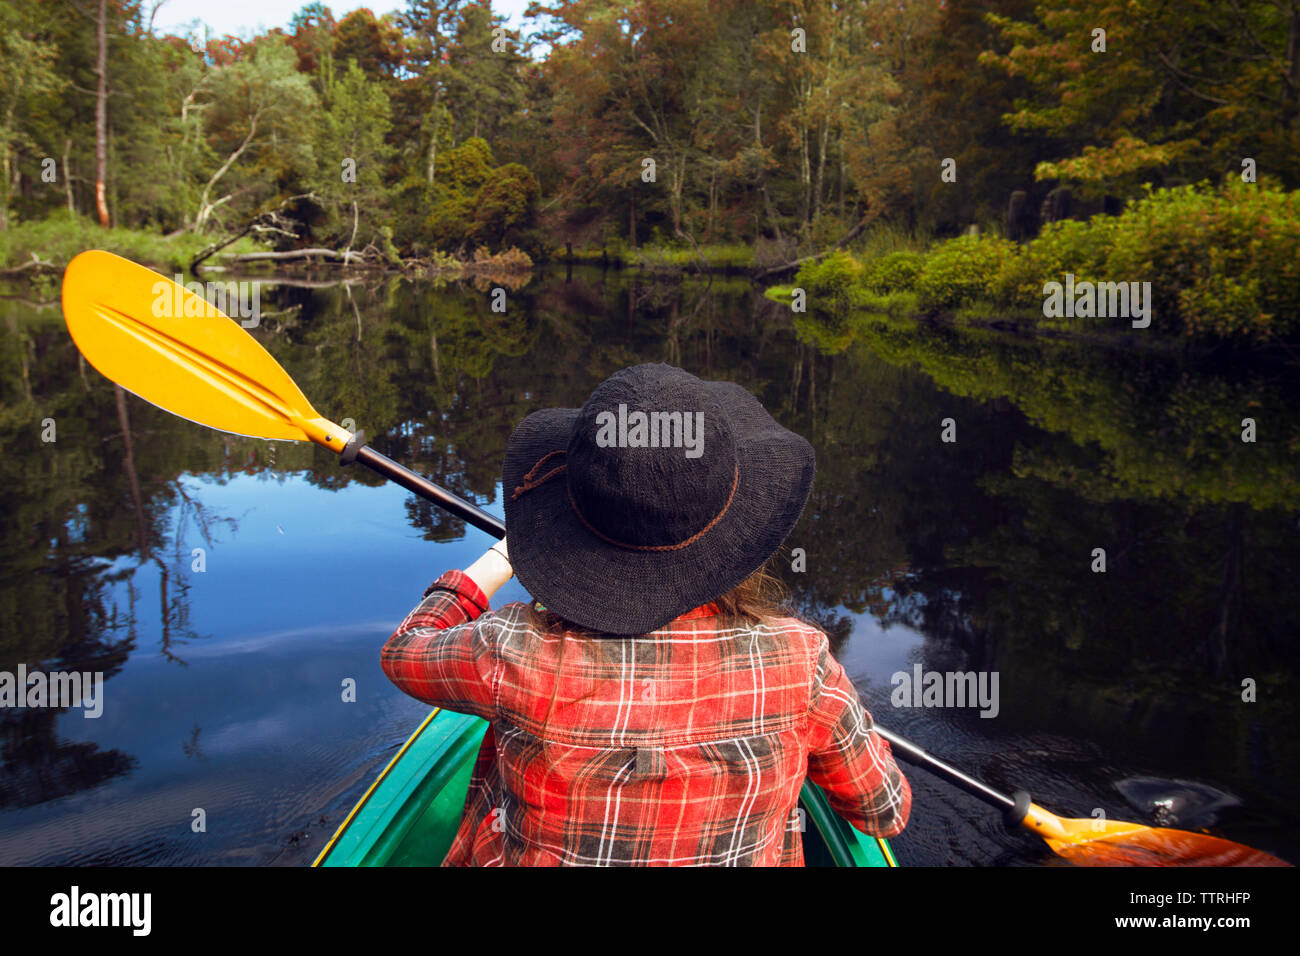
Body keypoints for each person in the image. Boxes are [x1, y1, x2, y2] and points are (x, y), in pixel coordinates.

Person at [381, 363, 910, 865]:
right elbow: (884, 811)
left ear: (571, 517)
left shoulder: (511, 652)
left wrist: (493, 565)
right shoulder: (802, 661)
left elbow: (404, 650)